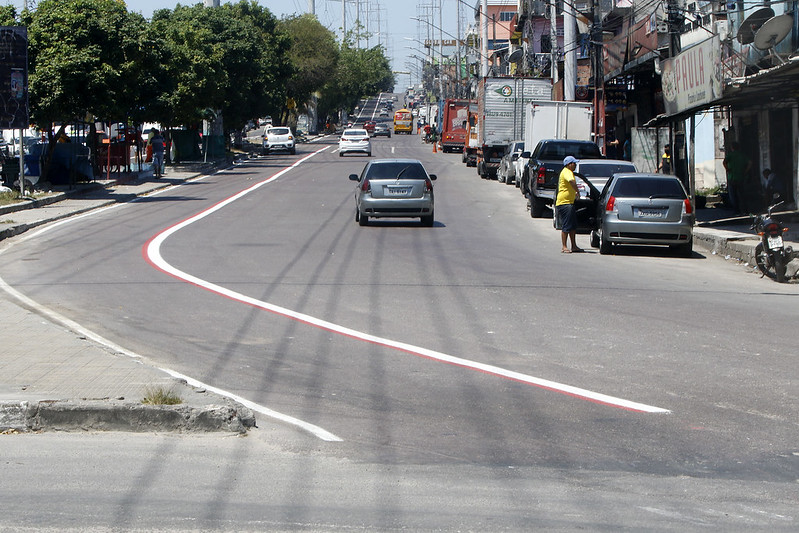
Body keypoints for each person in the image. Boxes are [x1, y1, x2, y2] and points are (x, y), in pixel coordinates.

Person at [555, 155, 583, 253]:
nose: (575, 165)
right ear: (569, 164)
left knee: (573, 225)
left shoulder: (568, 172)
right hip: (564, 202)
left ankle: (574, 246)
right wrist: (577, 191)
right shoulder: (567, 172)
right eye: (574, 163)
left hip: (569, 202)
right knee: (566, 225)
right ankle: (564, 246)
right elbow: (572, 182)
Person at [723, 142, 751, 213]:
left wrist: (727, 169)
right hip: (741, 177)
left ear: (732, 148)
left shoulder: (730, 155)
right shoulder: (742, 155)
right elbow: (750, 163)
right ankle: (745, 210)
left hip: (732, 177)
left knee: (734, 195)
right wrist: (745, 171)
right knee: (742, 194)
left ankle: (737, 210)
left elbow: (724, 162)